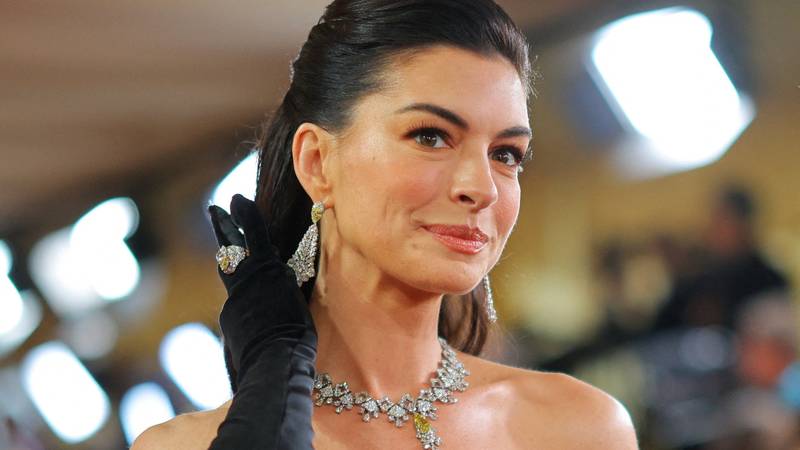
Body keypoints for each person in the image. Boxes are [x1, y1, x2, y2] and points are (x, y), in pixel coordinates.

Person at [131, 0, 638, 448]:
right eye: (430, 136)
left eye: (506, 154)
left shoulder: (581, 427)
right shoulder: (180, 447)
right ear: (317, 163)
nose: (482, 187)